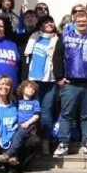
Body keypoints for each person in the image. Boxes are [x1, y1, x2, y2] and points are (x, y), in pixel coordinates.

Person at [52, 11, 87, 158]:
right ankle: (63, 143)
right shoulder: (65, 37)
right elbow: (57, 57)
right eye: (78, 21)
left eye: (84, 21)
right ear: (74, 21)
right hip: (70, 83)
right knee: (67, 115)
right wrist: (59, 77)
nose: (81, 23)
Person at [23, 15, 59, 155]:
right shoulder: (34, 37)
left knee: (46, 112)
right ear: (41, 25)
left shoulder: (57, 40)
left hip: (49, 80)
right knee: (31, 110)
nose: (49, 24)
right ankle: (31, 140)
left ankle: (45, 142)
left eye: (51, 21)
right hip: (33, 80)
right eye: (46, 22)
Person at [0, 80, 40, 166]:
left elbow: (37, 115)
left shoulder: (35, 102)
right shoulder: (17, 101)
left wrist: (28, 122)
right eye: (29, 88)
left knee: (19, 135)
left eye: (33, 89)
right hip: (18, 124)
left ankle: (8, 154)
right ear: (23, 89)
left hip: (29, 125)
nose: (32, 90)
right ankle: (14, 157)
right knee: (15, 137)